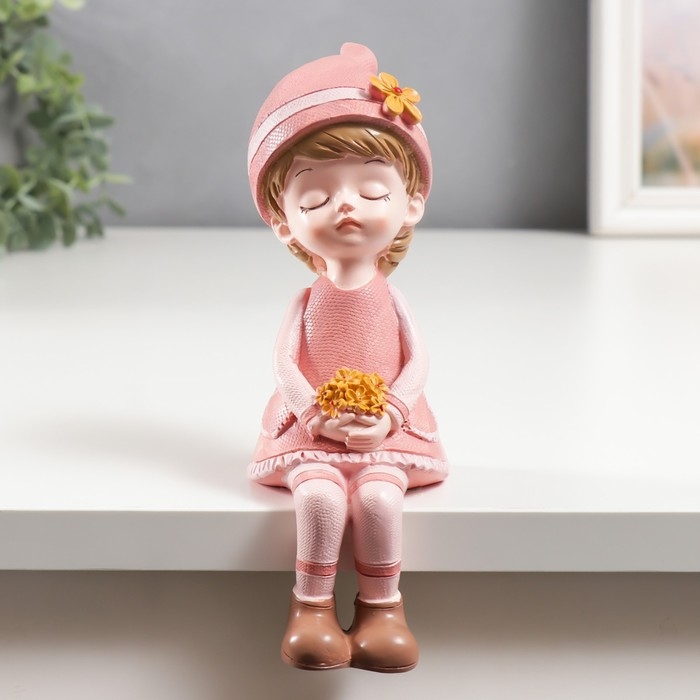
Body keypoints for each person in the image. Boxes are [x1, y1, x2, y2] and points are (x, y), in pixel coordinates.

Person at [247, 43, 448, 673]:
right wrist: (313, 415)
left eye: (372, 188)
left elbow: (416, 361)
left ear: (411, 203)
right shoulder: (307, 301)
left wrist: (390, 414)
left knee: (382, 501)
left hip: (388, 432)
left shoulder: (393, 300)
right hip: (311, 432)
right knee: (320, 500)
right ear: (283, 222)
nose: (346, 207)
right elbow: (285, 362)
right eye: (313, 198)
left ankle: (383, 608)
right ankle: (310, 607)